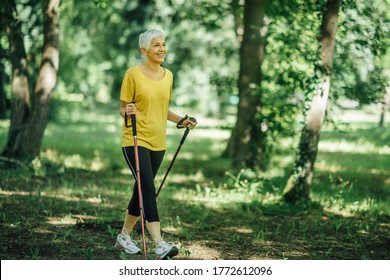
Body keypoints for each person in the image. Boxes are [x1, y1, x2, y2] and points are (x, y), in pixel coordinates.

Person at [115, 29, 197, 260]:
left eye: (163, 44)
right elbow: (123, 107)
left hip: (158, 141)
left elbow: (162, 109)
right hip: (135, 139)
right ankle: (159, 244)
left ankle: (123, 236)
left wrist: (181, 120)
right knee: (148, 189)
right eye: (156, 45)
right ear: (144, 50)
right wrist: (127, 111)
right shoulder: (132, 74)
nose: (162, 49)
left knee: (140, 189)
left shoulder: (168, 75)